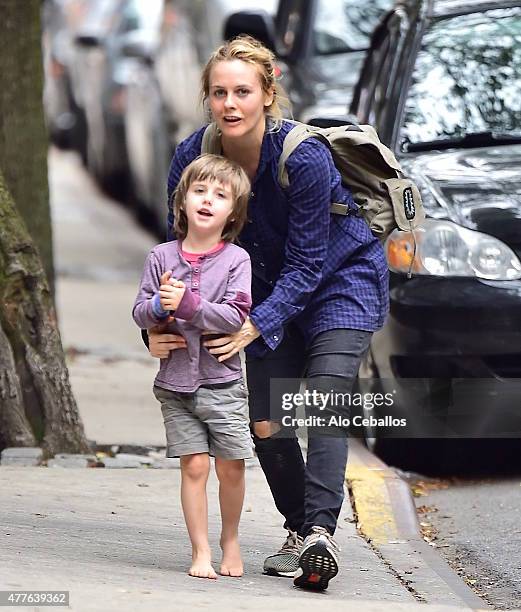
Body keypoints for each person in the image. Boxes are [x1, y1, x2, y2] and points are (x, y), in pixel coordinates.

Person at [148, 35, 389, 591]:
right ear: (207, 98)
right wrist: (160, 330)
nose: (230, 104)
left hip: (338, 279)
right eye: (219, 93)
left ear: (267, 94)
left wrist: (258, 323)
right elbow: (179, 256)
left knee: (326, 393)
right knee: (264, 420)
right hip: (254, 293)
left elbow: (307, 263)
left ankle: (321, 535)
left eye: (242, 92)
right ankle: (301, 532)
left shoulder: (302, 157)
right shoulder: (192, 156)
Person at [133, 154, 253, 580]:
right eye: (199, 191)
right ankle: (200, 550)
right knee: (195, 465)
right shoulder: (161, 256)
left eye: (219, 195)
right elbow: (140, 312)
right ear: (181, 202)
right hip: (176, 385)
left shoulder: (237, 261)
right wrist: (156, 308)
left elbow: (235, 316)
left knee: (231, 465)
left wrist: (189, 305)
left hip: (222, 384)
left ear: (233, 212)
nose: (207, 200)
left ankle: (231, 539)